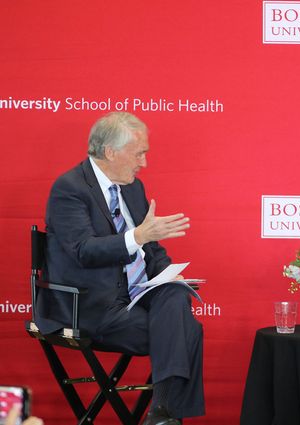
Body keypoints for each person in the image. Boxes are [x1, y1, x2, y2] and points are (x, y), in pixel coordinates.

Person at [35, 112, 204, 424]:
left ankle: (161, 414)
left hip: (133, 296)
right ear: (111, 151)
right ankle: (165, 413)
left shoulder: (132, 188)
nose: (144, 163)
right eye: (139, 153)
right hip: (89, 305)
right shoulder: (70, 189)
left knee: (176, 295)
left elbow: (151, 249)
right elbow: (83, 251)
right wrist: (138, 235)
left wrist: (170, 274)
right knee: (188, 330)